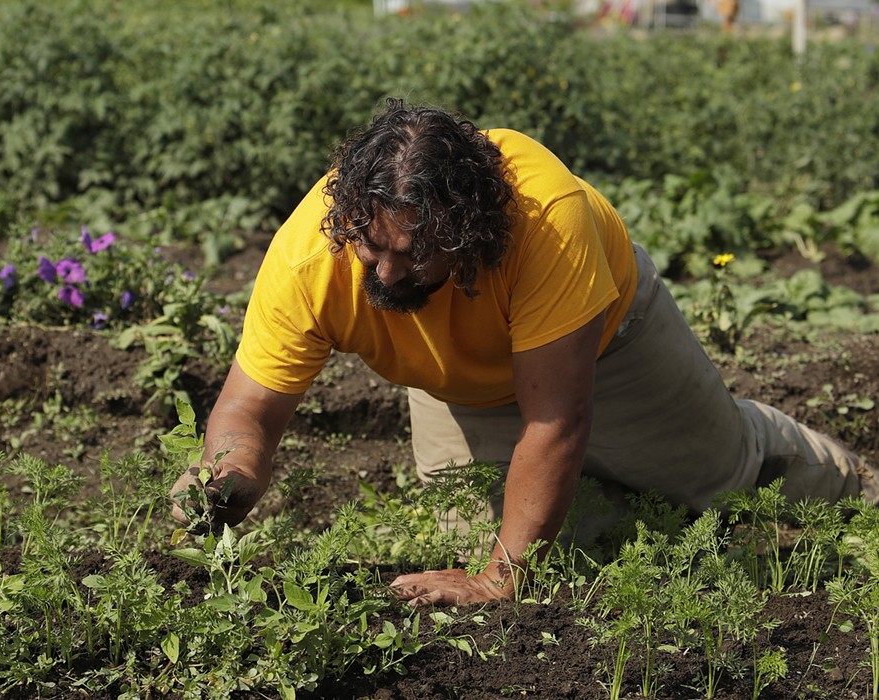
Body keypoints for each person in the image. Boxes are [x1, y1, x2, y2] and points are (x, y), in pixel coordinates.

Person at [170, 99, 876, 606]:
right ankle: (666, 535)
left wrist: (499, 579)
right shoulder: (309, 259)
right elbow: (248, 408)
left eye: (415, 256)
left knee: (719, 476)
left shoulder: (545, 221)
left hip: (608, 348)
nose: (384, 274)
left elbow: (556, 420)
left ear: (471, 233)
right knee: (540, 540)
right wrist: (228, 472)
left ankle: (844, 479)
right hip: (460, 384)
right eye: (370, 246)